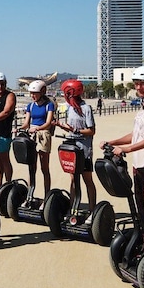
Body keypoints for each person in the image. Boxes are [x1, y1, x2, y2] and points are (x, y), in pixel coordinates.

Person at [101, 66, 144, 250]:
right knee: (141, 212)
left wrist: (127, 149)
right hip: (138, 165)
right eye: (137, 84)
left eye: (143, 84)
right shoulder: (143, 107)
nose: (138, 87)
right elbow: (136, 134)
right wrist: (113, 141)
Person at [55, 79, 97, 211]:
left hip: (84, 149)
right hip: (72, 147)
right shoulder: (70, 108)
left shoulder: (86, 108)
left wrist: (76, 130)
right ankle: (73, 208)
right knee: (73, 179)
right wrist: (61, 126)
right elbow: (71, 128)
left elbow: (92, 130)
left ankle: (92, 209)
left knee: (87, 179)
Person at [20, 79, 55, 200]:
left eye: (35, 93)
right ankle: (30, 194)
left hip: (43, 134)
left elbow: (48, 123)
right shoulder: (30, 105)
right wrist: (19, 128)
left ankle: (47, 195)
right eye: (31, 93)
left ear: (42, 92)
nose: (32, 96)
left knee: (44, 167)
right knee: (31, 165)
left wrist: (37, 128)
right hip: (32, 134)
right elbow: (26, 123)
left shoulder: (49, 105)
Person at [0, 72, 16, 187]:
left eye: (2, 84)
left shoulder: (10, 95)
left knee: (5, 159)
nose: (0, 87)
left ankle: (8, 183)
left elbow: (6, 112)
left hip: (4, 133)